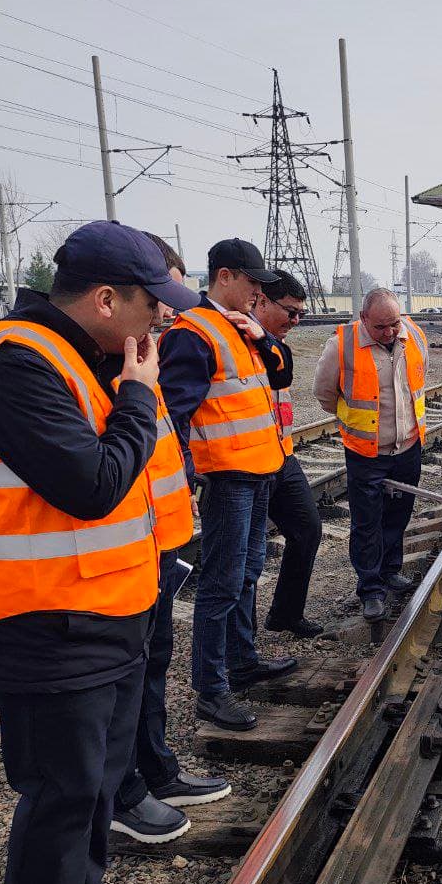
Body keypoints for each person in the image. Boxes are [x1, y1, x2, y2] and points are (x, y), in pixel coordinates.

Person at [0, 221, 201, 884]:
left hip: (108, 610)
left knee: (90, 789)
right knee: (60, 797)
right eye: (156, 304)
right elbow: (92, 485)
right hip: (45, 621)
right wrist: (139, 396)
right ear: (108, 299)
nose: (165, 318)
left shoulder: (80, 353)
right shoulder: (11, 364)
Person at [111, 234, 230, 846]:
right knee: (130, 676)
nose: (167, 314)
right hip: (128, 553)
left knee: (152, 664)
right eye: (159, 298)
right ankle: (128, 790)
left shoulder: (142, 360)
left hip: (160, 542)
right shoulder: (114, 370)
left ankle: (156, 772)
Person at [158, 238, 295, 733]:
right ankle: (212, 691)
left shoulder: (237, 329)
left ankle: (242, 659)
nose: (259, 290)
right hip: (230, 476)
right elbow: (173, 415)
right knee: (220, 583)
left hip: (260, 471)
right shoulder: (193, 333)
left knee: (248, 571)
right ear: (226, 276)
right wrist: (184, 477)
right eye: (253, 281)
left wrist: (262, 336)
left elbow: (281, 376)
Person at [314, 287, 428, 622]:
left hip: (408, 446)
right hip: (366, 452)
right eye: (380, 327)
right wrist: (354, 421)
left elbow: (418, 383)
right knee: (367, 523)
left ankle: (391, 570)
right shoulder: (342, 345)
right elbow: (324, 392)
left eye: (394, 323)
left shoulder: (414, 336)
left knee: (398, 514)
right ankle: (370, 588)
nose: (390, 332)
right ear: (364, 319)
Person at [253, 269, 324, 639]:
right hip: (244, 464)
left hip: (281, 455)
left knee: (308, 529)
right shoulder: (237, 340)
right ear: (261, 301)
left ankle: (284, 614)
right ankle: (239, 643)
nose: (296, 321)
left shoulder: (274, 343)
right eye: (291, 312)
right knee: (246, 558)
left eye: (301, 314)